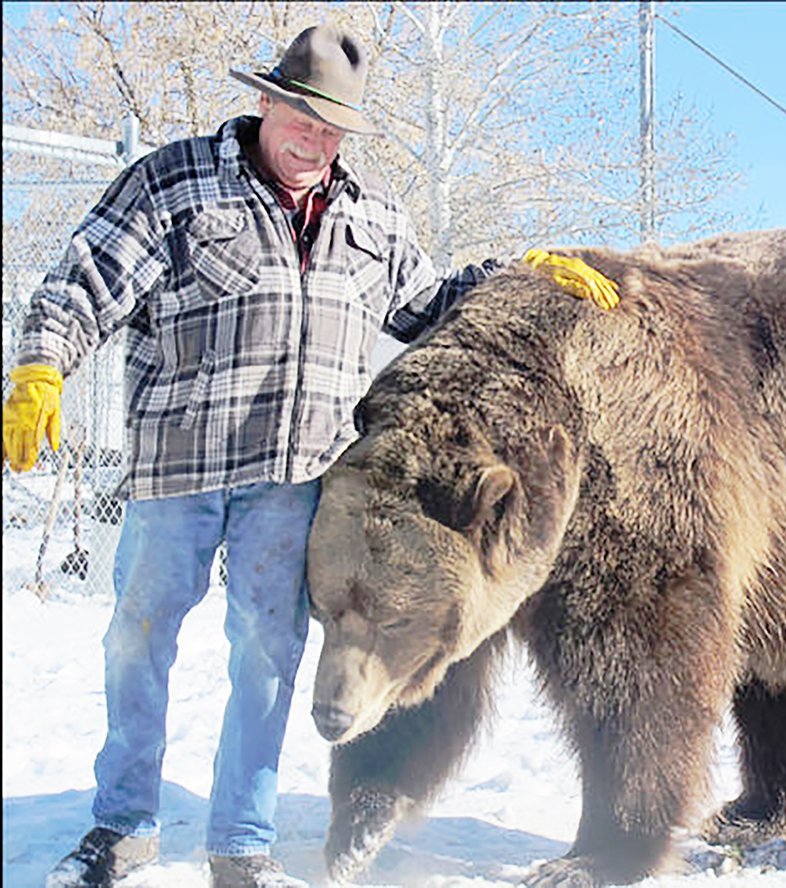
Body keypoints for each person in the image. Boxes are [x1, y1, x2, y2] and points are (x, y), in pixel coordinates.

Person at [3, 24, 617, 888]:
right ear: (265, 102)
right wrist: (41, 364)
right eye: (302, 119)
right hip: (178, 467)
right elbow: (82, 283)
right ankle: (123, 823)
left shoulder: (371, 218)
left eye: (332, 129)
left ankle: (242, 843)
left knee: (269, 652)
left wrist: (523, 275)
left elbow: (429, 304)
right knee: (139, 640)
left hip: (292, 480)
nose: (314, 141)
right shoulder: (174, 182)